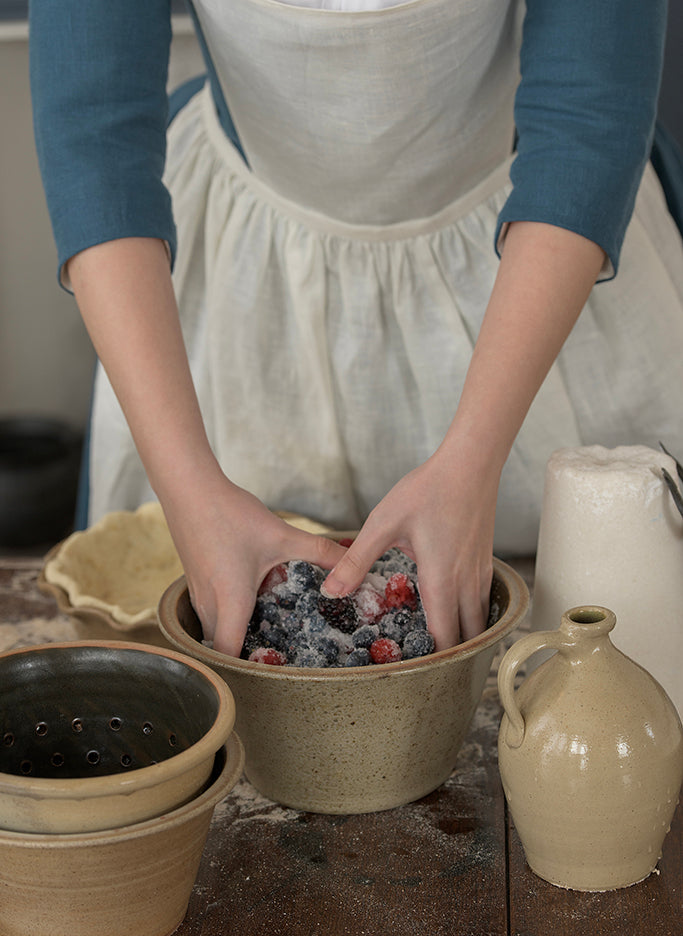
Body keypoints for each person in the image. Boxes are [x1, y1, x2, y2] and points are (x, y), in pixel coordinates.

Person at [29, 0, 683, 657]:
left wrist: (473, 457)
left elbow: (587, 115)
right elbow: (95, 139)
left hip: (532, 264)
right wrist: (191, 493)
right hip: (247, 273)